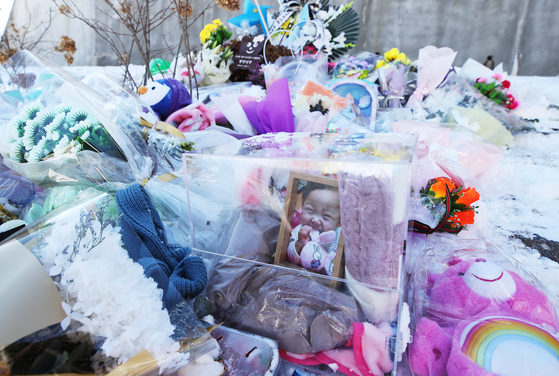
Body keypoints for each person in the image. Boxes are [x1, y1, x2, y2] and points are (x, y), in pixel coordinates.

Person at [286, 181, 341, 267]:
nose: (315, 220)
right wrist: (299, 244)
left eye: (326, 215)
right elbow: (290, 257)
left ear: (339, 222)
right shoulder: (300, 231)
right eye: (310, 210)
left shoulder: (340, 237)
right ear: (302, 206)